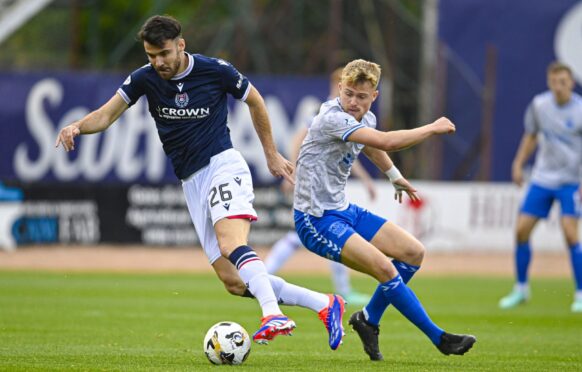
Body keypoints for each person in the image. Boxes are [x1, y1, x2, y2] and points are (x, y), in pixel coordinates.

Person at [54, 15, 346, 349]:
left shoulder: (216, 70)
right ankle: (325, 304)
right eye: (151, 56)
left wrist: (270, 154)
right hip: (191, 181)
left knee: (230, 243)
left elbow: (255, 100)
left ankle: (271, 314)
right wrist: (77, 125)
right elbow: (105, 116)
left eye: (163, 53)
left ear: (181, 45)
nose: (158, 62)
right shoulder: (144, 79)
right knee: (234, 281)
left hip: (223, 165)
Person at [293, 59, 476, 361]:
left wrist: (394, 176)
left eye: (361, 97)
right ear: (339, 88)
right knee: (386, 270)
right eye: (348, 93)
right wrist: (432, 127)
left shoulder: (366, 118)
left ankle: (367, 320)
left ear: (374, 96)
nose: (353, 102)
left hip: (342, 210)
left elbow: (371, 146)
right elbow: (386, 142)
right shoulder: (331, 118)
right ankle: (439, 338)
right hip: (315, 220)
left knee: (413, 252)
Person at [265, 67, 376, 305]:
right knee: (304, 235)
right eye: (347, 89)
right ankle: (263, 275)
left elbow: (350, 153)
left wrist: (366, 179)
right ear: (338, 86)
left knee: (330, 236)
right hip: (312, 184)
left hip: (328, 187)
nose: (354, 97)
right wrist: (292, 170)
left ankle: (343, 289)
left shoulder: (349, 116)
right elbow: (298, 138)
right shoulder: (326, 111)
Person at [498, 61, 582, 313]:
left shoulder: (579, 110)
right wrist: (518, 163)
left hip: (571, 181)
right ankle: (521, 289)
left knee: (570, 234)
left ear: (572, 82)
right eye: (555, 81)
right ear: (549, 82)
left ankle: (579, 293)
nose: (559, 86)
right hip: (543, 178)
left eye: (564, 81)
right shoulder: (539, 105)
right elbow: (531, 135)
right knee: (521, 231)